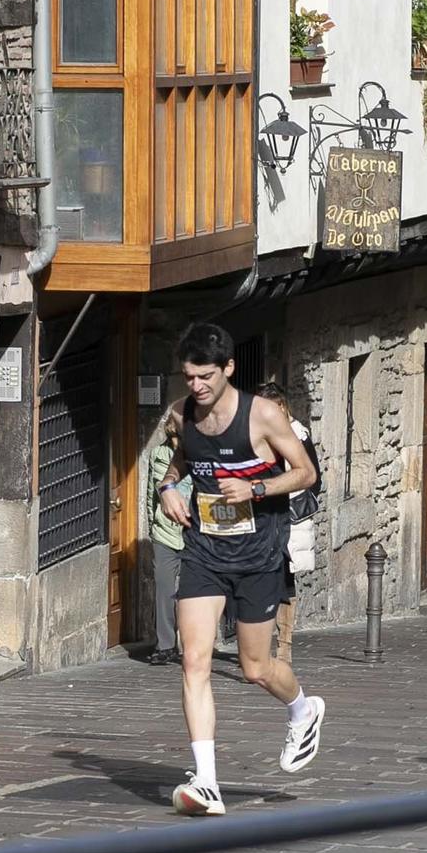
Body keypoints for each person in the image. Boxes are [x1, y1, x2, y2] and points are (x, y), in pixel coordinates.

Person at [157, 323, 323, 816]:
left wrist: (254, 490)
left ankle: (303, 709)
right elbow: (179, 465)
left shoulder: (263, 416)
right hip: (205, 552)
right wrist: (168, 490)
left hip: (258, 555)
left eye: (206, 376)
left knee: (254, 669)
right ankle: (206, 782)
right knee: (194, 661)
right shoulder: (181, 416)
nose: (197, 386)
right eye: (189, 377)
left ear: (228, 368)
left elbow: (306, 473)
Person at [256, 379, 320, 672]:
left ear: (282, 407)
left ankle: (284, 648)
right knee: (259, 579)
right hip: (259, 518)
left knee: (284, 579)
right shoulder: (253, 435)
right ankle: (259, 649)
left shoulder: (297, 434)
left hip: (289, 518)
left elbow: (312, 476)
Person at [143, 426, 185, 664]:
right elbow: (151, 491)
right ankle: (165, 644)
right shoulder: (158, 454)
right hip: (165, 530)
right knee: (164, 587)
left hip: (192, 529)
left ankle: (191, 645)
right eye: (175, 435)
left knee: (191, 593)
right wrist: (153, 525)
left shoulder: (199, 454)